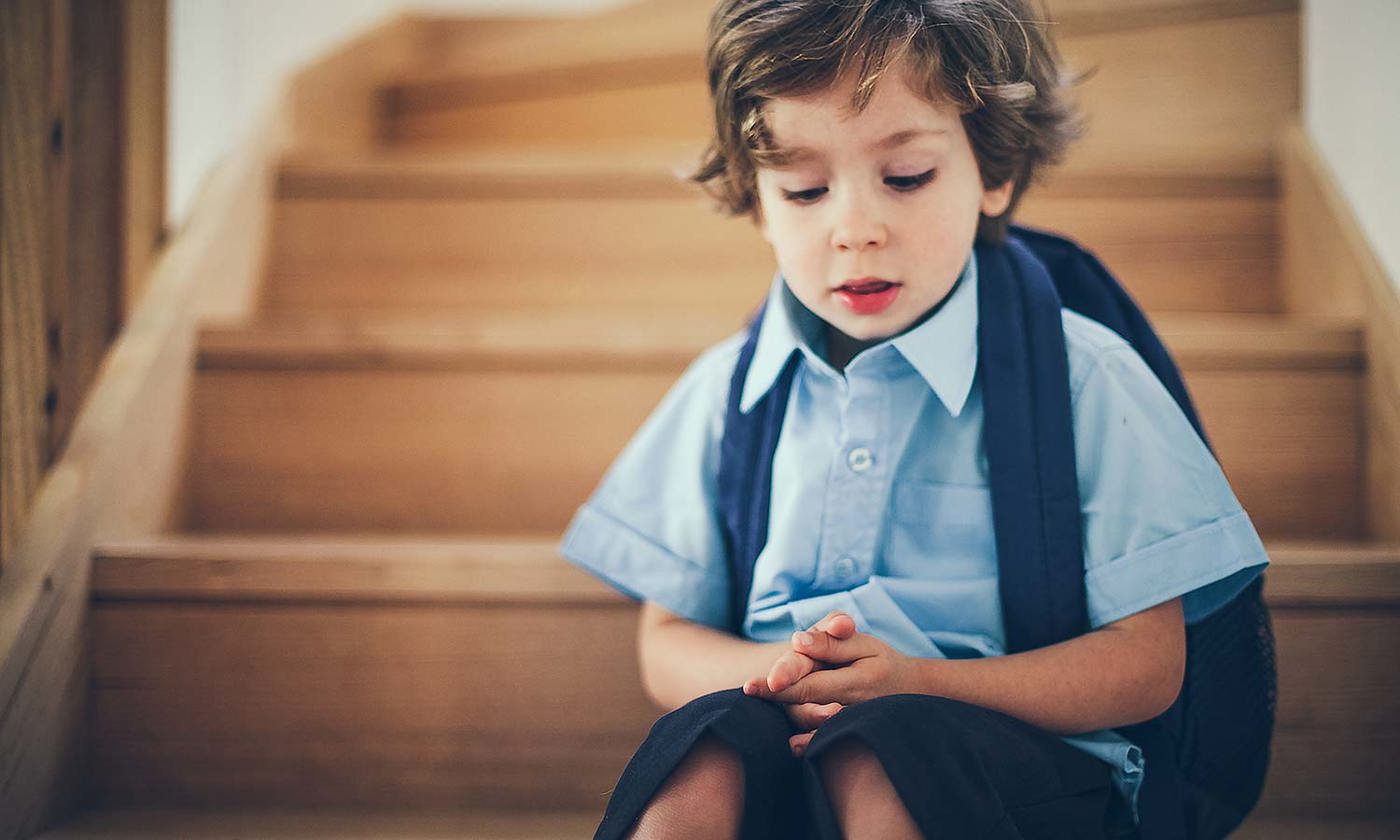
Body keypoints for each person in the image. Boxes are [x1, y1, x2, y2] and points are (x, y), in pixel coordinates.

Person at [558, 1, 1271, 838]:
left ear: (994, 174)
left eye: (905, 178)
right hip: (782, 745)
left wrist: (910, 683)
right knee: (699, 753)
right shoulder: (729, 390)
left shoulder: (1086, 378)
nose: (855, 229)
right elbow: (665, 641)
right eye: (804, 188)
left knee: (882, 750)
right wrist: (796, 677)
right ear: (756, 199)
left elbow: (1148, 666)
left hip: (1015, 769)